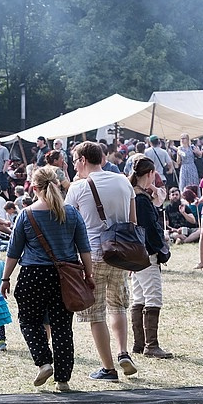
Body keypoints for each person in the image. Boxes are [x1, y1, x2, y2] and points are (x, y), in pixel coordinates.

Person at [2, 166, 93, 391]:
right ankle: (63, 380)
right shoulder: (71, 213)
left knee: (29, 321)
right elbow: (85, 249)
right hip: (65, 277)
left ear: (34, 188)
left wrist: (5, 278)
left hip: (33, 274)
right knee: (63, 326)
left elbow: (14, 251)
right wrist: (88, 275)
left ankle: (43, 362)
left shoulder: (27, 214)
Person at [65, 141, 137, 381]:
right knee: (118, 305)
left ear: (83, 160)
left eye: (75, 160)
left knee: (96, 313)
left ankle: (108, 368)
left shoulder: (79, 187)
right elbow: (133, 221)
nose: (74, 166)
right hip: (121, 252)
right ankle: (123, 352)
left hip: (92, 254)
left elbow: (67, 223)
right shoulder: (124, 182)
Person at [126, 157, 173, 359]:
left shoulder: (133, 195)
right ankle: (151, 345)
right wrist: (162, 250)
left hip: (135, 255)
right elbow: (151, 230)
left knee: (139, 297)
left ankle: (139, 343)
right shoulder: (142, 200)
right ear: (150, 174)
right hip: (147, 255)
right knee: (152, 297)